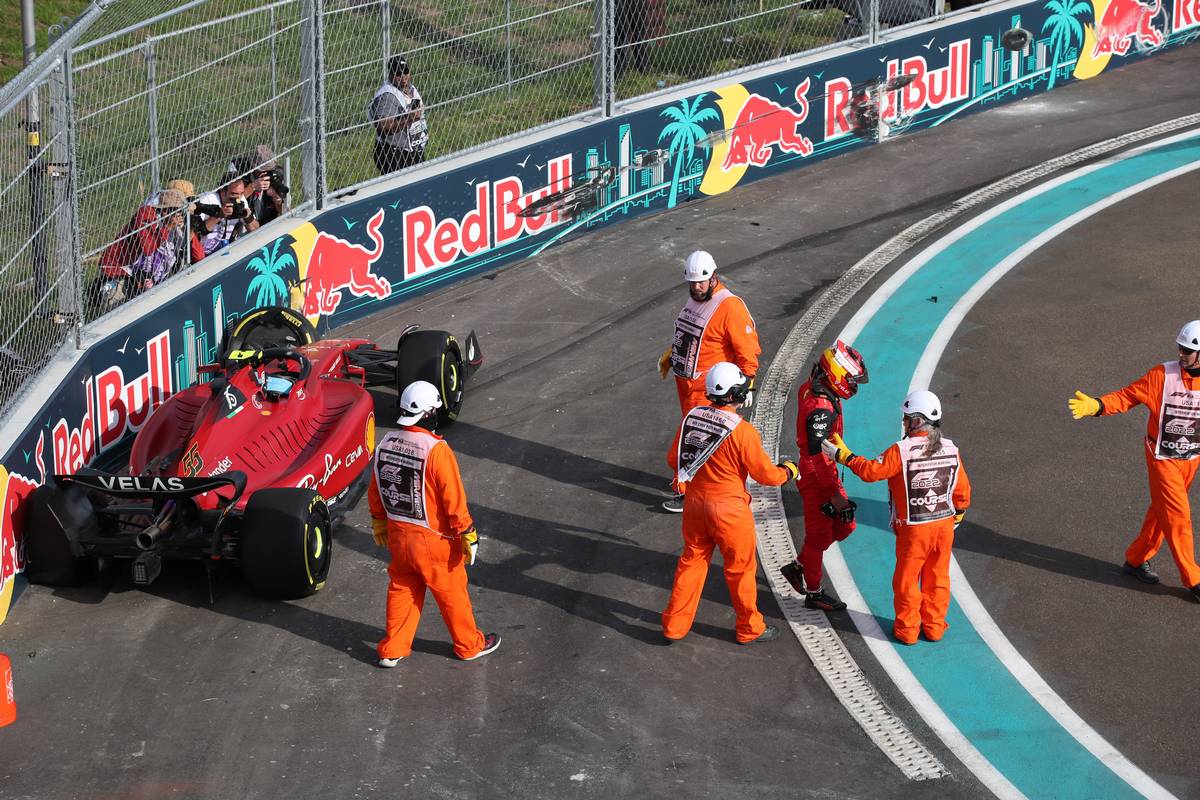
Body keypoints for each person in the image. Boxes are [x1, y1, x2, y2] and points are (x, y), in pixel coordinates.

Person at [661, 362, 799, 645]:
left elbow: (673, 460)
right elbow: (766, 476)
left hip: (695, 505)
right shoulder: (743, 431)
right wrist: (789, 471)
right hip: (730, 512)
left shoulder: (692, 417)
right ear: (735, 394)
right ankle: (749, 628)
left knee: (692, 562)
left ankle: (674, 626)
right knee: (740, 571)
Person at [823, 390, 971, 644]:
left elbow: (871, 472)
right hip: (944, 526)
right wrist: (957, 516)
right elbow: (962, 491)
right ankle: (934, 627)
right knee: (938, 577)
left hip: (914, 530)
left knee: (907, 581)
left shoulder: (901, 451)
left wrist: (842, 456)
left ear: (916, 420)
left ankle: (907, 631)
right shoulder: (950, 448)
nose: (903, 422)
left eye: (906, 418)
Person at [368, 380, 501, 665]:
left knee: (403, 588)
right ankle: (469, 645)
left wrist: (378, 519)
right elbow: (453, 498)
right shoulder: (435, 450)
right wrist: (467, 532)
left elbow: (376, 486)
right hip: (433, 539)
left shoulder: (386, 443)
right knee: (451, 591)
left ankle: (392, 650)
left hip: (398, 533)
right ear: (428, 414)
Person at [1069, 321, 1200, 603]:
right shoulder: (1163, 375)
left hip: (1190, 459)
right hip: (1162, 457)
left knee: (1162, 510)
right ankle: (1193, 578)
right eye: (1180, 348)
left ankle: (1136, 558)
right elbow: (1128, 396)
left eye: (1187, 350)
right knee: (1178, 517)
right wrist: (1097, 406)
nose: (1181, 354)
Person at [657, 250, 761, 512]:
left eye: (701, 282)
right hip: (687, 386)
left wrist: (747, 382)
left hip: (708, 389)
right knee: (694, 440)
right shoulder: (695, 300)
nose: (696, 287)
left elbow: (748, 349)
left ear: (714, 276)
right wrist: (673, 355)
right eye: (692, 283)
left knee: (696, 441)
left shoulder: (730, 307)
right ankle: (690, 487)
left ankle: (688, 492)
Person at [779, 340, 869, 612]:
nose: (854, 385)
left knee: (846, 525)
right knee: (819, 537)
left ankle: (798, 566)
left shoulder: (815, 386)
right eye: (851, 379)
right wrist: (835, 496)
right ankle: (814, 592)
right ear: (836, 373)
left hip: (819, 470)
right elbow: (819, 456)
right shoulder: (820, 406)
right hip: (817, 475)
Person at [94, 188, 192, 311]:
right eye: (177, 211)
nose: (180, 216)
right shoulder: (146, 213)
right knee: (117, 317)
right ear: (166, 211)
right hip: (121, 270)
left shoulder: (175, 226)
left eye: (181, 212)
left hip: (141, 275)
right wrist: (167, 228)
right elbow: (148, 248)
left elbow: (189, 250)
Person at [368, 55, 428, 175]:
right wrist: (410, 118)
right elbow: (384, 127)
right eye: (398, 74)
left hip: (413, 150)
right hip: (394, 153)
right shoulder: (387, 96)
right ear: (391, 75)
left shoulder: (410, 88)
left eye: (406, 72)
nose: (403, 77)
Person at [195, 170, 259, 255]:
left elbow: (256, 230)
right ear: (223, 192)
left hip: (224, 248)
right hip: (201, 253)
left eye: (241, 193)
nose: (238, 198)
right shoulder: (207, 199)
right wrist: (219, 215)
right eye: (234, 194)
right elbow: (197, 232)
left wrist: (247, 217)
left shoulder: (240, 199)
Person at [242, 145, 289, 227]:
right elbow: (234, 200)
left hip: (270, 223)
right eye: (261, 171)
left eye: (268, 171)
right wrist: (252, 187)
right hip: (245, 224)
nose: (265, 175)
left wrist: (276, 198)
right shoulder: (241, 174)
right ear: (253, 168)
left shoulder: (278, 175)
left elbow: (285, 213)